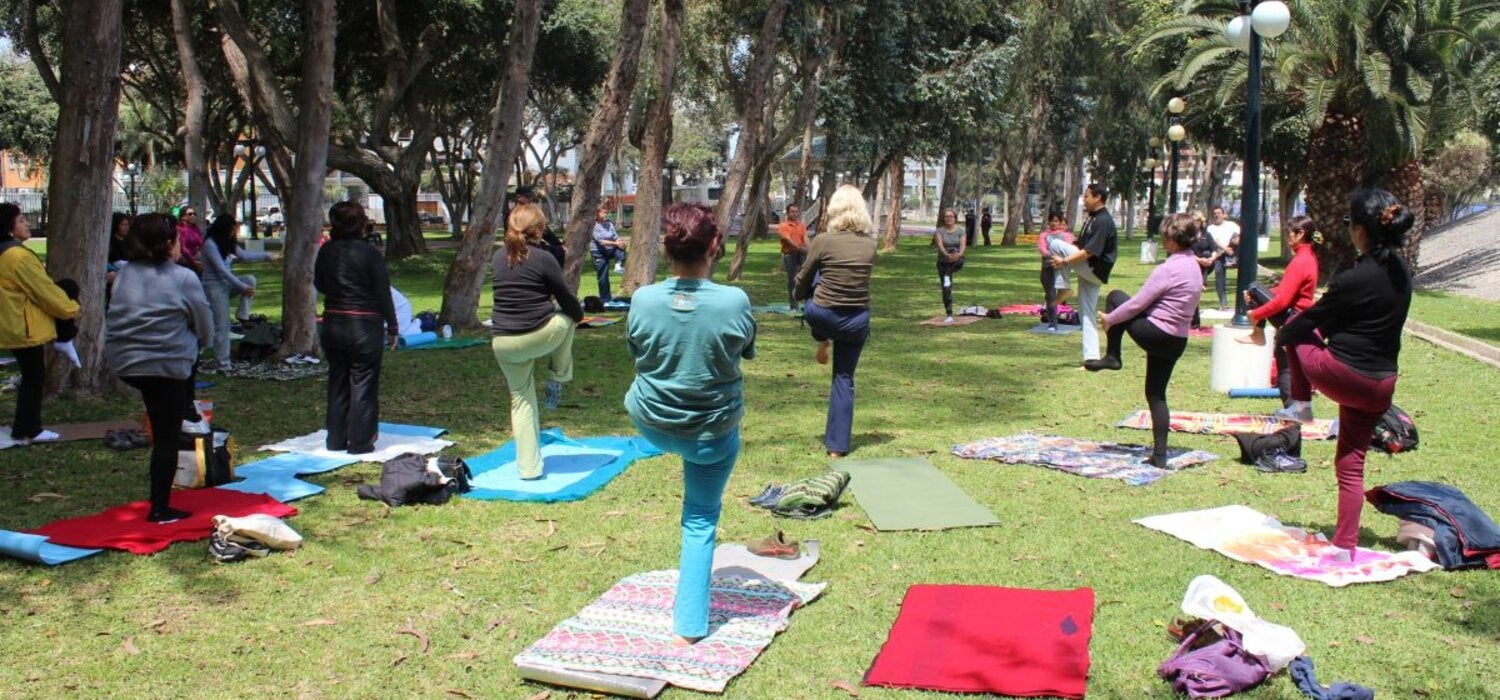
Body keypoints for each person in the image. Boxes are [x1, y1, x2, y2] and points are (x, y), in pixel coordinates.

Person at [624, 202, 755, 645]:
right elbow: (744, 351)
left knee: (678, 434)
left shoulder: (643, 299)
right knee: (699, 518)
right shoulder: (734, 302)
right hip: (708, 437)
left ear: (667, 246)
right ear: (715, 244)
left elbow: (637, 352)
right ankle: (689, 628)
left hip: (652, 422)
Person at [1274, 189, 1414, 561]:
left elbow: (1310, 321)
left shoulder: (1354, 277)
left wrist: (1281, 333)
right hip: (1381, 385)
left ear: (1361, 230)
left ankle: (1300, 404)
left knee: (1294, 328)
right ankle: (1344, 545)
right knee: (1351, 464)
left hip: (1345, 374)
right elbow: (1353, 318)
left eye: (1349, 222)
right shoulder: (1401, 272)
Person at [106, 213, 211, 522]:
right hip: (166, 365)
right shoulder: (183, 278)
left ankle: (161, 500)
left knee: (161, 414)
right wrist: (200, 343)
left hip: (127, 363)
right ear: (167, 244)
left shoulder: (124, 274)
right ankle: (160, 508)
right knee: (167, 437)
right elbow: (204, 324)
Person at [1085, 213, 1204, 469]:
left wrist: (1110, 320)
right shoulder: (1194, 265)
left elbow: (1137, 304)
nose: (1162, 241)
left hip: (1157, 333)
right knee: (1156, 394)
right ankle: (1159, 456)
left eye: (1164, 237)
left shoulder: (1169, 268)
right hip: (1177, 340)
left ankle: (1113, 356)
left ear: (1172, 239)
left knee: (1116, 297)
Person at [491, 204, 583, 479]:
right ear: (539, 229)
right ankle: (559, 375)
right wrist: (579, 315)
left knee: (521, 402)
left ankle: (529, 469)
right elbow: (566, 300)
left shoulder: (498, 257)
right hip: (538, 335)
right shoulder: (544, 258)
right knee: (568, 318)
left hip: (503, 343)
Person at [794, 185, 877, 458]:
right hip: (856, 320)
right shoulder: (870, 244)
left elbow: (803, 278)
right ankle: (837, 448)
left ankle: (821, 337)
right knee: (844, 378)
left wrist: (798, 295)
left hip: (823, 315)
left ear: (834, 209)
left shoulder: (823, 240)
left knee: (817, 278)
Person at [314, 202, 398, 454]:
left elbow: (320, 283)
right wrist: (393, 326)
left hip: (333, 323)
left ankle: (336, 439)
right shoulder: (369, 253)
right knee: (363, 382)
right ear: (361, 223)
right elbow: (383, 291)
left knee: (338, 379)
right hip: (363, 325)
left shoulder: (326, 251)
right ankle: (360, 441)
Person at [0, 203, 81, 443]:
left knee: (67, 286)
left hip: (13, 322)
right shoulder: (17, 256)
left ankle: (24, 427)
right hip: (22, 325)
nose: (27, 223)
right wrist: (72, 309)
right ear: (9, 228)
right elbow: (43, 291)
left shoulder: (9, 253)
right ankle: (29, 429)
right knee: (34, 377)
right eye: (21, 220)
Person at [1237, 215, 1323, 406]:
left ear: (1300, 234)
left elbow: (1283, 301)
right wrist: (1258, 301)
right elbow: (1285, 291)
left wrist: (1256, 314)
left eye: (1289, 233)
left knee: (1254, 287)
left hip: (1292, 318)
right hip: (1299, 318)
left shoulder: (1300, 261)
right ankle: (1297, 411)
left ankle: (1257, 333)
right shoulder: (1308, 257)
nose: (1286, 237)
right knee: (1287, 364)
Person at [1049, 183, 1118, 365]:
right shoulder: (1091, 219)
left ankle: (1063, 287)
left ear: (1098, 198)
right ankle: (1092, 358)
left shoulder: (1103, 220)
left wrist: (1064, 261)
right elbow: (1080, 246)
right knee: (1087, 313)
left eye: (1086, 196)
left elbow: (1089, 252)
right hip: (1091, 271)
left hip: (1094, 268)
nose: (1084, 200)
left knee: (1054, 244)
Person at [200, 214, 264, 371]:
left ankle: (242, 314)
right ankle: (223, 364)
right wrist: (242, 287)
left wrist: (268, 256)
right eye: (231, 230)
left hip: (226, 284)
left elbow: (245, 256)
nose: (233, 233)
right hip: (214, 288)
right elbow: (222, 271)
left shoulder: (227, 243)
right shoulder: (210, 244)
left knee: (250, 279)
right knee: (222, 326)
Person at [1038, 210, 1075, 328]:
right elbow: (1043, 250)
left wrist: (1061, 260)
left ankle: (1059, 318)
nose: (1053, 223)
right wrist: (1055, 257)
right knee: (1050, 296)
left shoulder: (1067, 236)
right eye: (1051, 221)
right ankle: (1052, 322)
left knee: (1060, 294)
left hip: (1061, 269)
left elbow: (1069, 250)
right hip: (1047, 268)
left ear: (1060, 222)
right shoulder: (1044, 235)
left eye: (1056, 221)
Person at [933, 208, 966, 323]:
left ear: (955, 218)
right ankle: (949, 314)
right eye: (946, 216)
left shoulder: (960, 230)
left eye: (951, 216)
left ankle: (948, 274)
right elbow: (940, 245)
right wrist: (946, 255)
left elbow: (963, 245)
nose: (948, 219)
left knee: (959, 260)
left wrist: (959, 255)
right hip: (943, 261)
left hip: (957, 259)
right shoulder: (940, 231)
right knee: (946, 288)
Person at [1205, 206, 1240, 310]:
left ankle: (1243, 303)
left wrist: (1234, 244)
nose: (1216, 215)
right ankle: (1223, 304)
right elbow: (1214, 242)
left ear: (1223, 214)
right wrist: (1225, 249)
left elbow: (1240, 235)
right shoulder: (1210, 228)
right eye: (1215, 213)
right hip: (1219, 254)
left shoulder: (1231, 225)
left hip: (1233, 252)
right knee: (1219, 277)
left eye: (1219, 213)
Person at [591, 206, 627, 301]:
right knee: (603, 277)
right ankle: (605, 299)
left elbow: (615, 236)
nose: (605, 215)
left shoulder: (609, 224)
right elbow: (601, 242)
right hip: (599, 252)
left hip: (610, 249)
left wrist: (620, 241)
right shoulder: (593, 225)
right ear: (597, 214)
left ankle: (618, 265)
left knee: (621, 247)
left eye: (606, 213)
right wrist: (615, 243)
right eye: (603, 213)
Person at [778, 203, 809, 311]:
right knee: (793, 281)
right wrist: (799, 248)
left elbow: (805, 238)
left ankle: (808, 304)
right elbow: (788, 240)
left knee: (806, 279)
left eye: (796, 211)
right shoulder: (783, 226)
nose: (794, 214)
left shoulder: (801, 225)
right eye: (792, 212)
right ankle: (794, 306)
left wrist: (810, 250)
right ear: (788, 213)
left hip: (802, 255)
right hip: (790, 255)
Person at [176, 205, 205, 272]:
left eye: (194, 214)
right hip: (184, 260)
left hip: (196, 258)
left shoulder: (196, 229)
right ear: (183, 217)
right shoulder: (179, 229)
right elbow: (183, 249)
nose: (193, 216)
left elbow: (201, 245)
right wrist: (194, 263)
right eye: (190, 214)